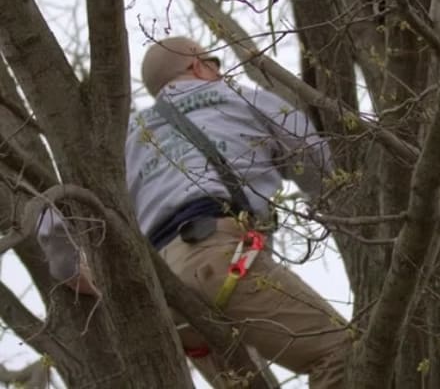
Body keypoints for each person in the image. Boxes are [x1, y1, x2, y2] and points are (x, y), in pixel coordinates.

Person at [39, 36, 349, 388]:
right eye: (214, 63)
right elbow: (322, 168)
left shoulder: (126, 137)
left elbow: (55, 217)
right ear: (199, 65)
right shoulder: (241, 98)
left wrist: (80, 274)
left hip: (165, 295)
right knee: (343, 352)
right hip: (222, 262)